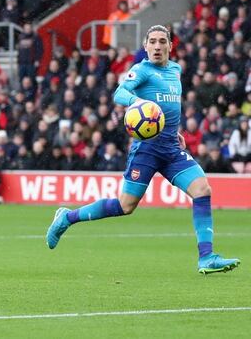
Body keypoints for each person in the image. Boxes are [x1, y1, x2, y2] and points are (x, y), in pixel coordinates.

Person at [46, 25, 240, 274]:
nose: (157, 46)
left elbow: (168, 106)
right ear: (146, 47)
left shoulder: (175, 70)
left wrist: (173, 129)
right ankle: (67, 217)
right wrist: (138, 103)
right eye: (152, 42)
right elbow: (119, 93)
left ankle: (206, 257)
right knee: (126, 206)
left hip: (170, 147)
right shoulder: (141, 70)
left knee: (202, 189)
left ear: (170, 46)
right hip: (146, 150)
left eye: (162, 41)